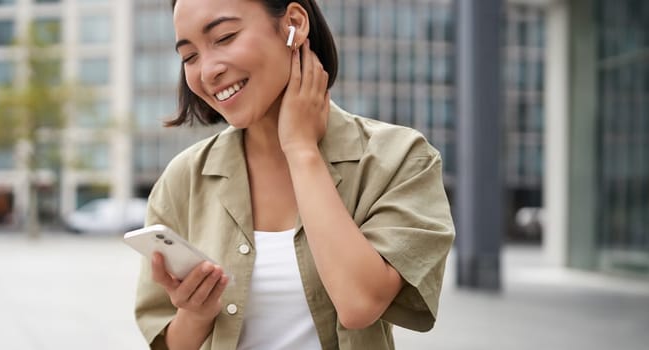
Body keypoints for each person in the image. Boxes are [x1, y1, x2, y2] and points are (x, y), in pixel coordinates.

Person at [134, 0, 455, 349]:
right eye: (189, 57)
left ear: (294, 23)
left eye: (224, 37)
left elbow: (359, 304)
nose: (207, 70)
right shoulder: (184, 178)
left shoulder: (399, 159)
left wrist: (301, 150)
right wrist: (195, 314)